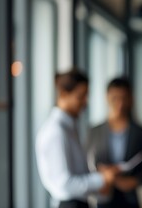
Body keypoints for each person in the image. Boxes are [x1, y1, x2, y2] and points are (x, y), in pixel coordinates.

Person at [36, 69, 119, 208]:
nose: (85, 102)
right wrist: (101, 179)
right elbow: (65, 184)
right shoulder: (56, 131)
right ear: (63, 94)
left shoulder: (69, 128)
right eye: (80, 96)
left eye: (86, 96)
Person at [86, 77, 142, 208]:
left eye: (124, 98)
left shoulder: (139, 132)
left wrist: (133, 181)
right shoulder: (94, 131)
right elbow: (86, 165)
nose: (120, 104)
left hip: (129, 200)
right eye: (114, 98)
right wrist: (103, 174)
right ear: (107, 98)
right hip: (103, 197)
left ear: (131, 99)